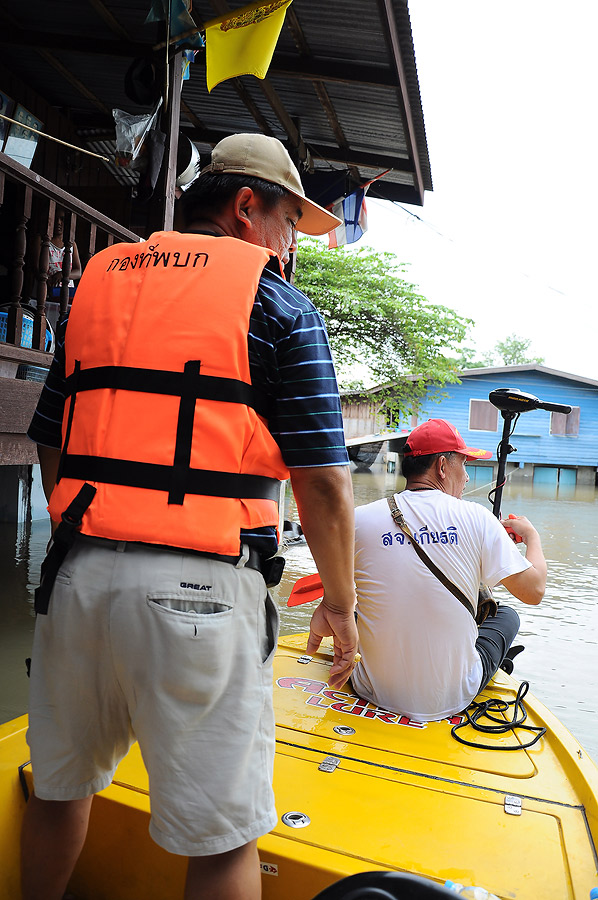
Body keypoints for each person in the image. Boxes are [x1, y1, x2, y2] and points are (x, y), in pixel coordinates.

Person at [22, 132, 358, 900]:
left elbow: (52, 442)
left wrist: (91, 531)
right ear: (247, 207)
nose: (287, 248)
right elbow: (327, 486)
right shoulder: (278, 305)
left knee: (60, 791)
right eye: (285, 226)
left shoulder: (96, 287)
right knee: (222, 840)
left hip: (76, 578)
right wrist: (339, 606)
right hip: (203, 589)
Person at [352, 418, 546, 722]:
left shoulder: (359, 519)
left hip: (374, 691)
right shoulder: (477, 518)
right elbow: (534, 591)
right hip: (452, 697)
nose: (467, 477)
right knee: (507, 615)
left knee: (360, 604)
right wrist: (532, 537)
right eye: (464, 464)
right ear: (442, 466)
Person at [31, 206, 82, 330]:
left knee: (61, 327)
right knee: (43, 327)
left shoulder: (71, 244)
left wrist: (63, 274)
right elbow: (36, 267)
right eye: (55, 219)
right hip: (46, 293)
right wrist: (47, 280)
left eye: (62, 219)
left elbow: (78, 271)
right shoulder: (41, 239)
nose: (58, 223)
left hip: (65, 296)